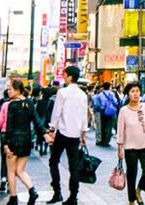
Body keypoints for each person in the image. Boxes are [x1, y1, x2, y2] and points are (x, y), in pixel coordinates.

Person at [45, 65, 88, 205]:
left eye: (65, 74)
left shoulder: (62, 93)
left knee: (53, 161)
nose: (63, 76)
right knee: (73, 166)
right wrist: (83, 133)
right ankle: (73, 197)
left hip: (62, 133)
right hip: (75, 134)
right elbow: (84, 116)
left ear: (70, 76)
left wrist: (51, 129)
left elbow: (56, 113)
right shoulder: (83, 95)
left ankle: (57, 192)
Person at [0, 79, 43, 205]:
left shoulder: (12, 105)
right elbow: (37, 120)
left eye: (10, 89)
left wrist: (6, 144)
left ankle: (13, 198)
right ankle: (32, 191)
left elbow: (9, 126)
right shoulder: (29, 102)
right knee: (20, 170)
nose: (8, 91)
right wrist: (44, 133)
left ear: (17, 90)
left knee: (11, 171)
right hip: (26, 141)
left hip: (13, 141)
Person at [117, 81, 145, 205]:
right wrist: (120, 148)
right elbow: (120, 130)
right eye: (132, 91)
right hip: (130, 147)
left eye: (137, 91)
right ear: (128, 94)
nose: (135, 94)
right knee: (131, 174)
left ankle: (139, 190)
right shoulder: (123, 110)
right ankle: (131, 200)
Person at [98, 81, 119, 146]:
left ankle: (102, 140)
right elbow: (115, 101)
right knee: (109, 126)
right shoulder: (111, 94)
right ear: (109, 87)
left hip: (103, 111)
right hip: (110, 111)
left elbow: (98, 103)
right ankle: (107, 141)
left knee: (103, 126)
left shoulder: (100, 94)